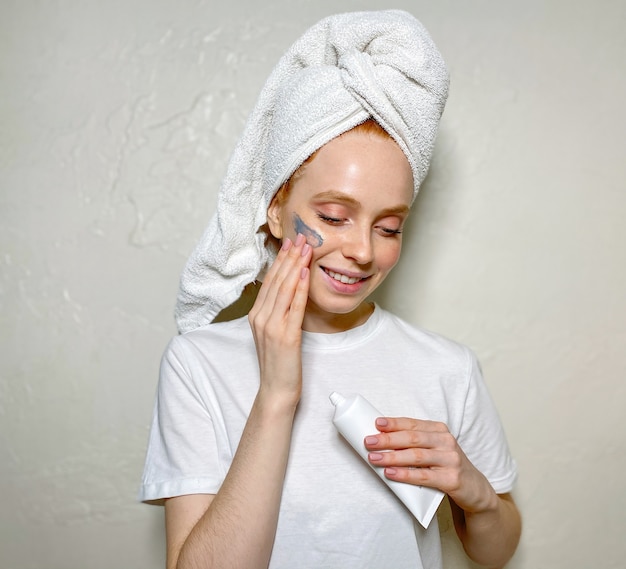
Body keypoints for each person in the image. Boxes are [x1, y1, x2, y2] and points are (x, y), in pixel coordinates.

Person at [139, 10, 521, 569]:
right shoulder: (199, 364)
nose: (364, 250)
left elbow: (496, 551)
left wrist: (476, 491)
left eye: (389, 226)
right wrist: (277, 397)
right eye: (336, 216)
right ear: (274, 209)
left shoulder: (447, 368)